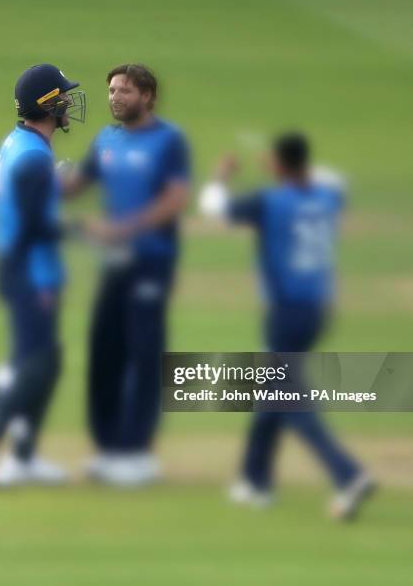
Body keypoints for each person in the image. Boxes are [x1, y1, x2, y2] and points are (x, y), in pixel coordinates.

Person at [199, 132, 375, 519]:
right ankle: (253, 480)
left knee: (286, 399)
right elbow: (335, 179)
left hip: (285, 312)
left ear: (279, 165)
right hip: (316, 310)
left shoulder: (269, 202)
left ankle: (348, 474)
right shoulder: (328, 196)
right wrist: (290, 166)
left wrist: (220, 176)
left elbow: (213, 207)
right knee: (272, 388)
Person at [0, 64, 86, 486]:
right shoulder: (32, 159)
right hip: (30, 270)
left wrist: (51, 184)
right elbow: (35, 225)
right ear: (47, 104)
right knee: (35, 361)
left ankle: (24, 456)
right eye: (62, 96)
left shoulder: (22, 143)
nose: (68, 101)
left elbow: (13, 192)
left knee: (45, 360)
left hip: (22, 266)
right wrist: (81, 230)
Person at [64, 64, 191, 485]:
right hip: (115, 265)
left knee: (143, 353)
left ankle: (136, 453)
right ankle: (109, 447)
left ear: (148, 97)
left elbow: (174, 200)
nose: (115, 97)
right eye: (113, 90)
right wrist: (20, 181)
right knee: (105, 351)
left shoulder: (168, 140)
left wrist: (123, 228)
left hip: (152, 261)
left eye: (125, 91)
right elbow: (78, 184)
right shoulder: (106, 140)